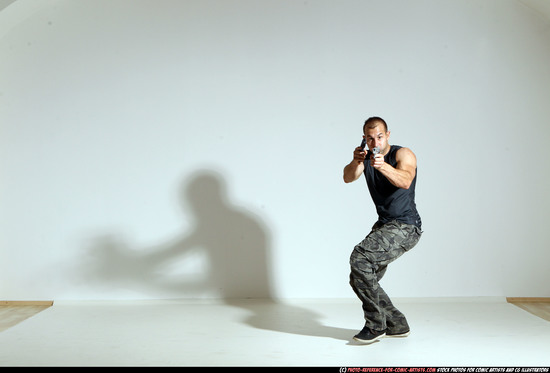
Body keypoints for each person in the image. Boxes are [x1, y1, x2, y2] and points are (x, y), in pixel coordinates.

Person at [343, 116, 422, 344]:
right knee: (360, 278)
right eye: (369, 137)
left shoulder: (402, 154)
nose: (374, 141)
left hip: (406, 226)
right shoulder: (366, 157)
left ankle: (376, 325)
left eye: (379, 136)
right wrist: (357, 161)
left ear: (387, 135)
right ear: (364, 139)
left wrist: (383, 165)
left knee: (360, 259)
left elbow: (406, 180)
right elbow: (348, 178)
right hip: (385, 225)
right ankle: (397, 324)